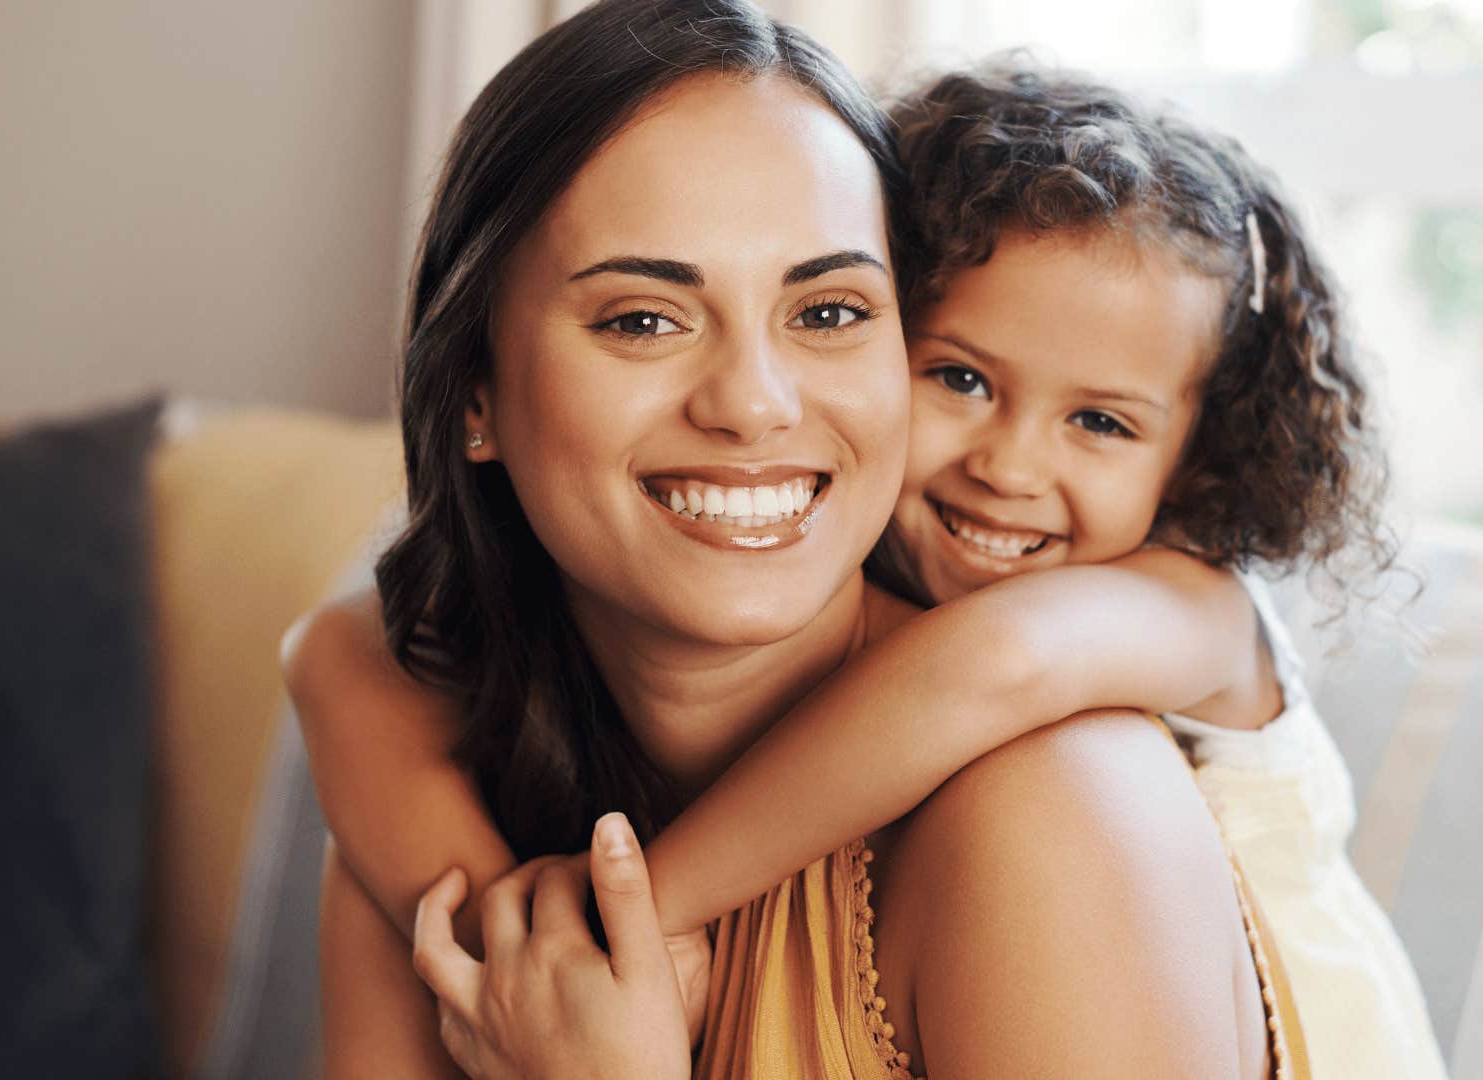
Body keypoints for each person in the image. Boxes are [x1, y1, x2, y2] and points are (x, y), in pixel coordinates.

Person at [286, 1, 1292, 1076]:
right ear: (472, 394)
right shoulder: (434, 817)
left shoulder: (1060, 814)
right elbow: (340, 653)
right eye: (642, 319)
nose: (754, 404)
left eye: (827, 312)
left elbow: (995, 668)